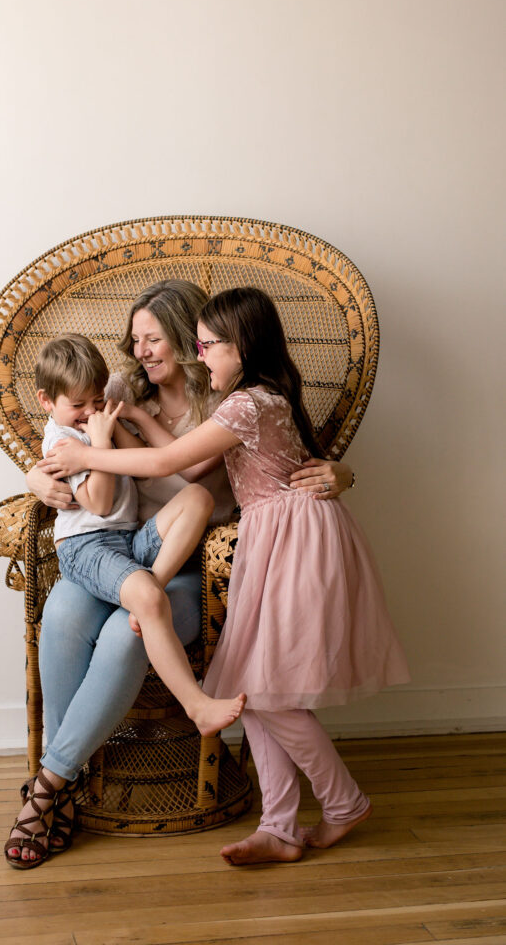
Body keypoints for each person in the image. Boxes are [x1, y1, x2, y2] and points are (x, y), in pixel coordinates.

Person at [47, 286, 410, 867]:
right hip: (268, 540)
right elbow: (185, 458)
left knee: (267, 691)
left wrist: (88, 457)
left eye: (208, 345)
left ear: (241, 348)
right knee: (253, 688)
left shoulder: (245, 404)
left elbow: (169, 465)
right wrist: (88, 448)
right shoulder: (247, 401)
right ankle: (281, 825)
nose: (200, 355)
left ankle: (342, 802)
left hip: (288, 542)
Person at [33, 334, 245, 737]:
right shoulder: (66, 438)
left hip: (127, 541)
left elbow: (152, 467)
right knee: (148, 598)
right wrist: (97, 441)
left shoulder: (103, 417)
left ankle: (150, 584)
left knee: (197, 497)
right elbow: (98, 501)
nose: (88, 412)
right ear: (47, 402)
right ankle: (196, 705)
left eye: (95, 401)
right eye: (77, 405)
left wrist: (116, 426)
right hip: (87, 547)